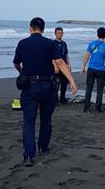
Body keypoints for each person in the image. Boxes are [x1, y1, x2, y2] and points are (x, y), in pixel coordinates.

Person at [13, 17, 77, 167]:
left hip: (29, 86)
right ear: (43, 29)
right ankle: (43, 147)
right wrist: (72, 81)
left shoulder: (22, 43)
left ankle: (29, 155)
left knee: (28, 122)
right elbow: (60, 62)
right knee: (46, 119)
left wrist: (21, 71)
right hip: (47, 85)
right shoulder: (50, 44)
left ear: (30, 28)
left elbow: (16, 62)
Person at [81, 27, 105, 113]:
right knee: (100, 89)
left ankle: (86, 108)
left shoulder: (92, 44)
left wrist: (83, 67)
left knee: (89, 88)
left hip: (91, 69)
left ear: (97, 34)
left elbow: (86, 56)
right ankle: (98, 108)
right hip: (101, 70)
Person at [52, 27, 71, 104]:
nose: (59, 34)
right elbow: (51, 56)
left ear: (63, 34)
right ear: (55, 34)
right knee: (56, 84)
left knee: (64, 84)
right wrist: (55, 66)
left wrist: (69, 64)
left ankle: (63, 99)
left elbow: (66, 55)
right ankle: (55, 100)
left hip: (64, 67)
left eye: (61, 33)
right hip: (56, 67)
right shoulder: (52, 43)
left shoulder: (64, 43)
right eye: (58, 33)